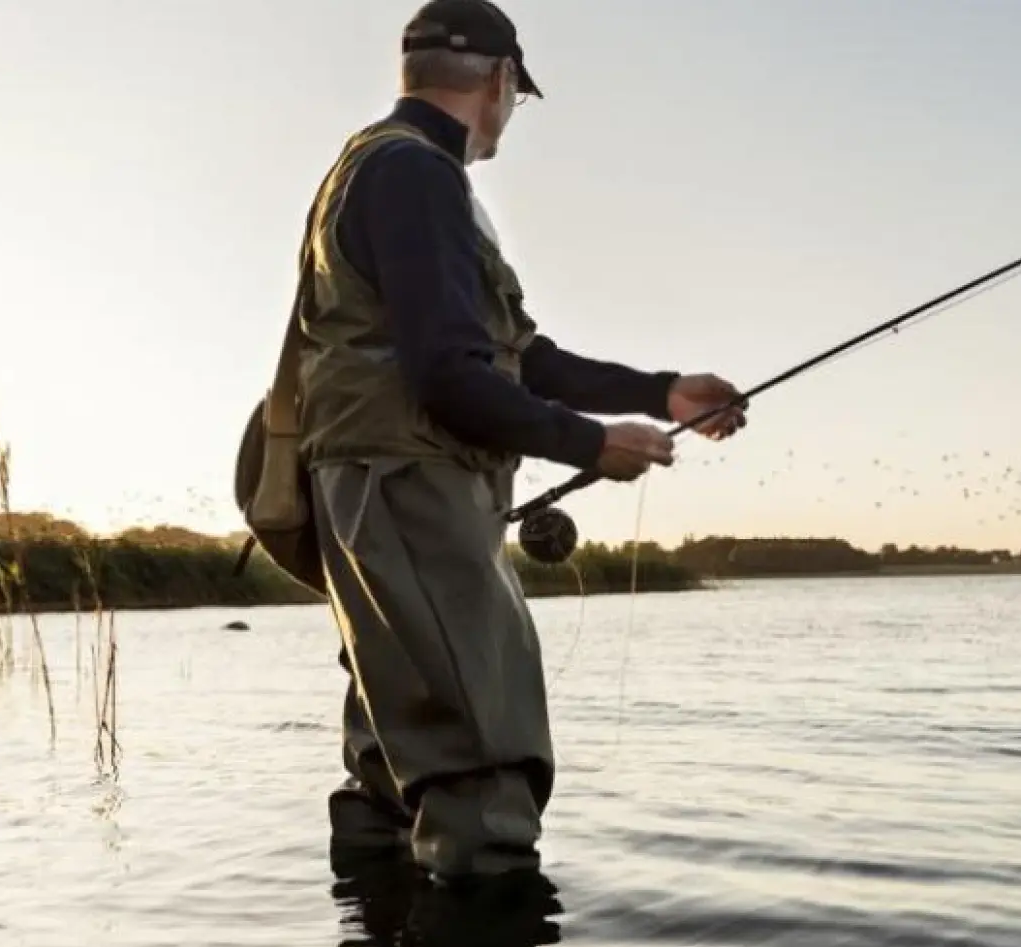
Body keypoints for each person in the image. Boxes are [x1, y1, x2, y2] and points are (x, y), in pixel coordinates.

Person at [250, 0, 748, 882]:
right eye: (516, 93)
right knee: (481, 761)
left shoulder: (370, 166)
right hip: (410, 488)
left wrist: (660, 393)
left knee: (390, 753)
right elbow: (447, 374)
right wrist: (589, 446)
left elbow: (513, 354)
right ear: (500, 78)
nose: (511, 112)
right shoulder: (419, 175)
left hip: (372, 489)